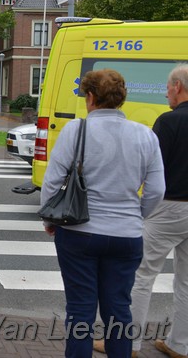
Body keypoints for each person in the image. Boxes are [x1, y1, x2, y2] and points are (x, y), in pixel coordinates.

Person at [42, 69, 165, 358]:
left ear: (91, 97)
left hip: (79, 232)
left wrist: (51, 219)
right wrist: (136, 216)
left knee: (80, 310)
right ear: (121, 98)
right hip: (126, 235)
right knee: (119, 308)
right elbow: (157, 190)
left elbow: (52, 181)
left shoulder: (76, 130)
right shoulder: (145, 135)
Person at [125, 64, 188, 358]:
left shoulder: (169, 121)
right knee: (186, 281)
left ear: (177, 86)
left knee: (142, 274)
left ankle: (129, 343)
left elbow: (152, 168)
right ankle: (179, 345)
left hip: (170, 206)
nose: (165, 93)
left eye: (167, 87)